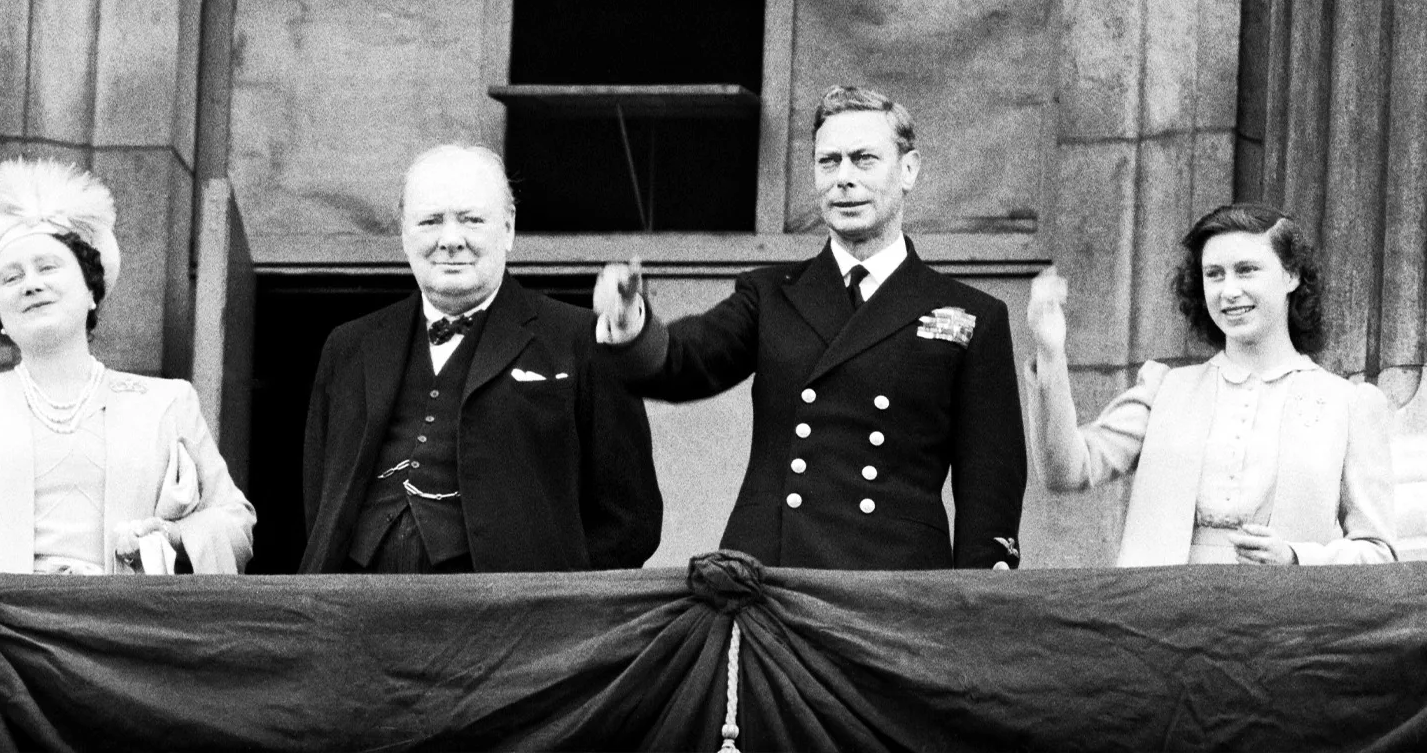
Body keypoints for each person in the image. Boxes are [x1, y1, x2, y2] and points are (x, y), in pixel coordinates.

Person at [593, 86, 1026, 571]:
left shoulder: (971, 314)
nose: (843, 179)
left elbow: (990, 480)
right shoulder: (772, 294)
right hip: (773, 581)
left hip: (896, 587)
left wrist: (980, 598)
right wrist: (631, 322)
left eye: (863, 160)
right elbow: (685, 360)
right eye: (828, 162)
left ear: (909, 169)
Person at [0, 159, 254, 575]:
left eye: (48, 267)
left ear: (91, 290)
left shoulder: (168, 402)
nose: (31, 284)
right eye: (10, 278)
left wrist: (173, 538)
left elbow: (235, 525)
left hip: (123, 631)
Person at [299, 144, 662, 574]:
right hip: (356, 616)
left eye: (471, 220)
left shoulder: (581, 340)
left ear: (508, 228)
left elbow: (630, 520)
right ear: (403, 233)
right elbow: (319, 497)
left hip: (508, 628)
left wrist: (554, 611)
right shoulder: (349, 347)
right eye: (431, 221)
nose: (451, 240)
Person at [1028, 203, 1397, 565]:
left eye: (1246, 270)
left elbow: (1379, 552)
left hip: (1280, 620)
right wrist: (1050, 353)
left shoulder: (1349, 404)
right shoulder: (1166, 389)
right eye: (1215, 274)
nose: (1228, 291)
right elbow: (1067, 470)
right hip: (1162, 616)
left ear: (1291, 276)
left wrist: (1298, 557)